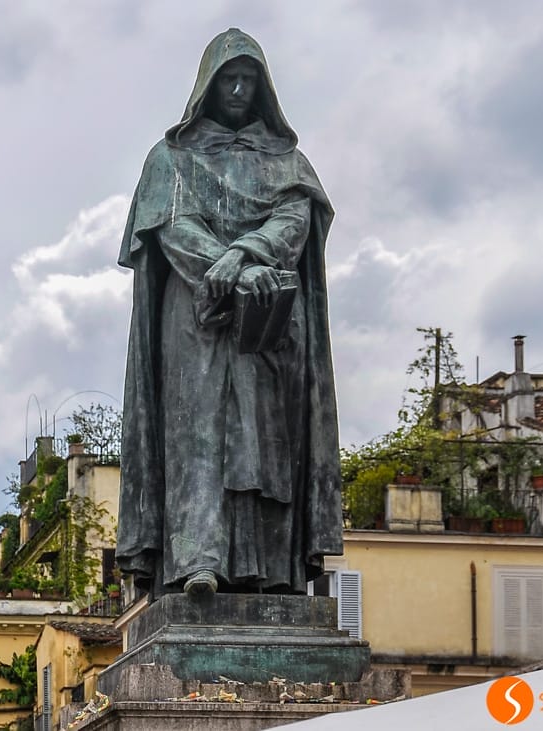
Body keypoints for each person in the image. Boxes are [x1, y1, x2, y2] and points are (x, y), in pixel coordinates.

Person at [116, 28, 343, 598]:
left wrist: (246, 256)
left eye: (249, 80)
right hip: (196, 317)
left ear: (264, 89)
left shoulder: (288, 161)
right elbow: (171, 227)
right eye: (229, 79)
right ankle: (198, 561)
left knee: (266, 442)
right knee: (197, 436)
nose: (239, 89)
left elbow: (295, 222)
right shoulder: (170, 158)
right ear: (207, 87)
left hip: (269, 317)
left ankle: (272, 570)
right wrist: (226, 266)